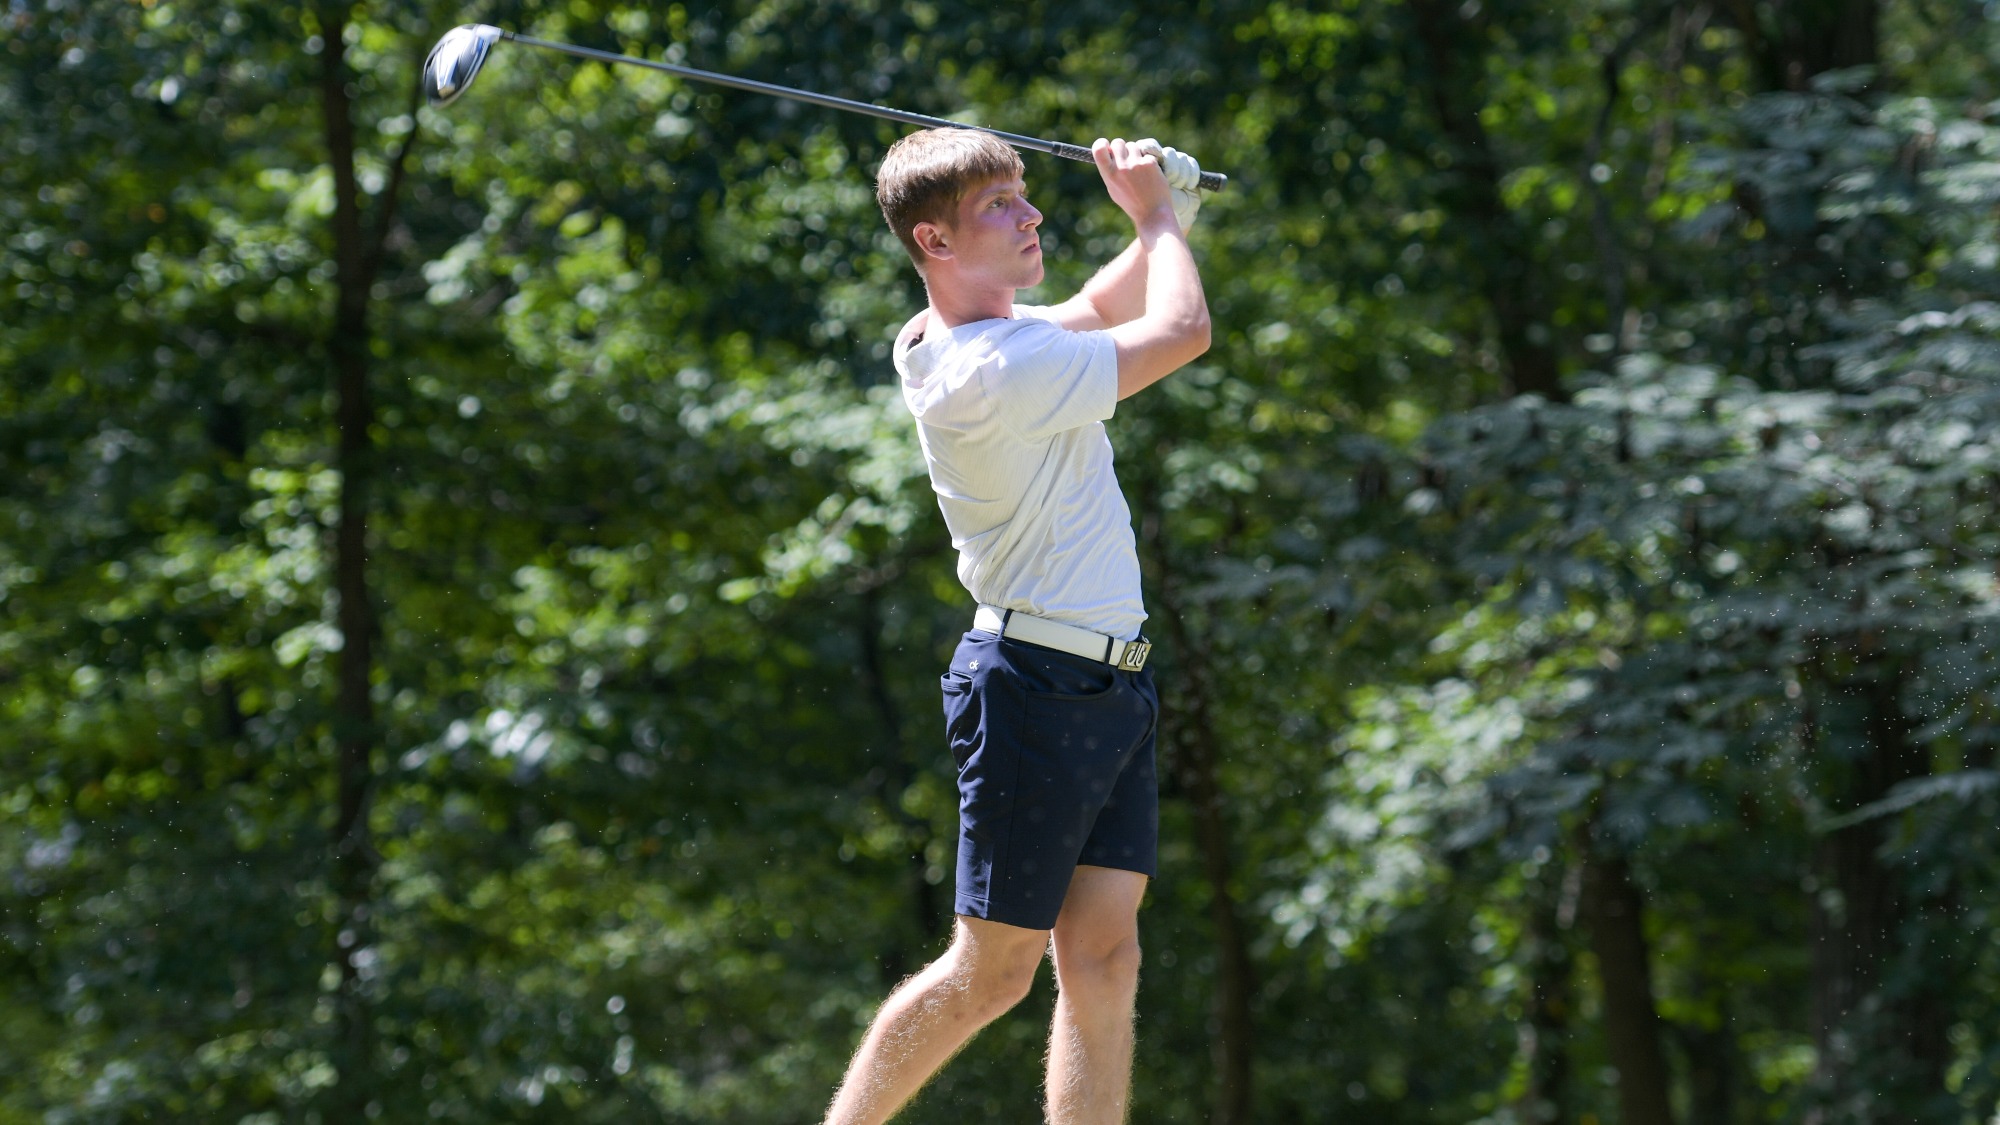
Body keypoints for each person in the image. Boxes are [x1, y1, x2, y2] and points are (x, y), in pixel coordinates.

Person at [822, 128, 1209, 1125]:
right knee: (991, 973)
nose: (1032, 215)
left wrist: (1172, 214)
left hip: (1109, 680)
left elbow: (1098, 308)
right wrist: (1155, 220)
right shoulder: (995, 369)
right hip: (1036, 683)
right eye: (998, 204)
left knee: (1105, 956)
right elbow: (1180, 330)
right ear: (933, 240)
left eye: (1022, 193)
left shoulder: (976, 338)